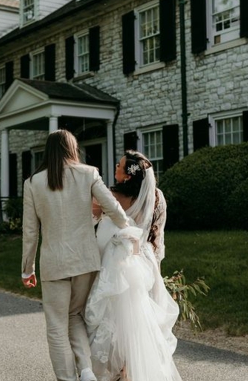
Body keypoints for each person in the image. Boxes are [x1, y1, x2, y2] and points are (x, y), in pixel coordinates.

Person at [21, 129, 129, 381]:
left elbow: (30, 231)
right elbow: (113, 209)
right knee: (75, 316)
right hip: (86, 261)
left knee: (57, 327)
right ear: (72, 148)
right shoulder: (88, 173)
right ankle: (87, 372)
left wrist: (28, 269)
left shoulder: (32, 183)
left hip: (54, 264)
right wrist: (128, 230)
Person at [85, 151, 182, 381]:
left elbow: (87, 218)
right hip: (142, 264)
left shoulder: (110, 196)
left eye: (119, 165)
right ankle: (129, 370)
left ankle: (122, 372)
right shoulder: (157, 197)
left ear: (127, 176)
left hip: (115, 264)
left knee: (113, 322)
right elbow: (157, 237)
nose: (115, 168)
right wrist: (155, 269)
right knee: (137, 325)